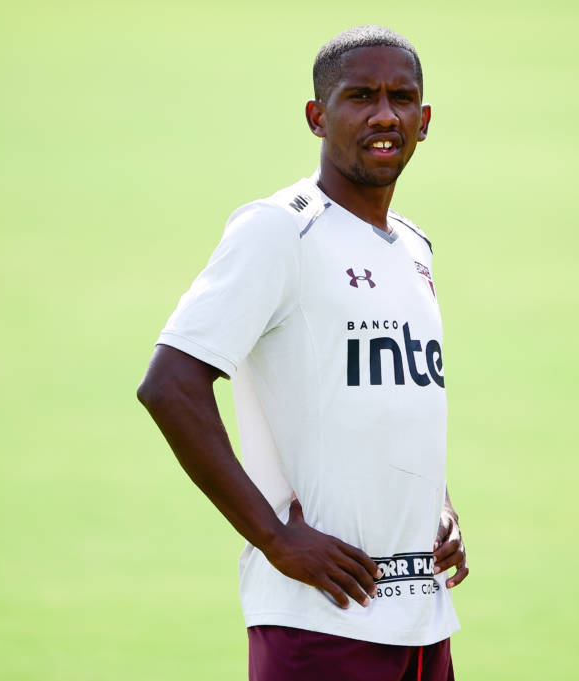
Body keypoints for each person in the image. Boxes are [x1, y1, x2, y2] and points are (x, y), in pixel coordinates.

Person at [137, 25, 468, 681]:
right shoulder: (279, 230)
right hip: (319, 623)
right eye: (360, 97)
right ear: (317, 116)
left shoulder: (414, 247)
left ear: (424, 121)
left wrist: (438, 503)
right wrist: (275, 537)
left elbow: (392, 400)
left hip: (424, 620)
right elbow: (169, 383)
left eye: (402, 98)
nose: (384, 115)